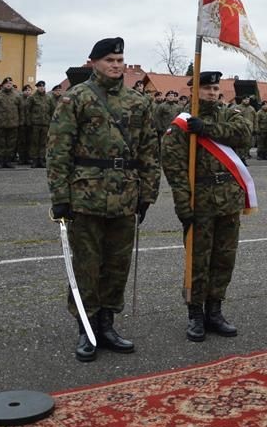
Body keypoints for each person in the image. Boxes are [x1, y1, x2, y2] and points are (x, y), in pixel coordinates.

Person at [46, 37, 161, 362]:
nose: (116, 65)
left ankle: (107, 325)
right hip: (86, 196)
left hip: (125, 195)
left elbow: (149, 150)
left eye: (120, 60)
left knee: (116, 265)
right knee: (87, 266)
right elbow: (58, 150)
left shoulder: (138, 102)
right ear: (94, 62)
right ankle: (87, 328)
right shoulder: (76, 98)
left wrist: (147, 194)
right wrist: (60, 197)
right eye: (110, 59)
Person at [161, 71, 252, 341]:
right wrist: (182, 204)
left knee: (224, 258)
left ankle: (215, 310)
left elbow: (244, 134)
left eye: (215, 88)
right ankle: (195, 314)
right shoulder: (182, 123)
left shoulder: (229, 114)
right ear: (194, 91)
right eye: (207, 89)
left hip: (228, 200)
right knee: (198, 260)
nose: (212, 93)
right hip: (199, 201)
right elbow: (174, 168)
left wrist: (207, 129)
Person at [0, 76, 21, 168]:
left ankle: (8, 161)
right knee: (0, 143)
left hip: (13, 124)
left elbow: (21, 109)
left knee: (11, 143)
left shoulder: (17, 95)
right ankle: (1, 161)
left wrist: (21, 121)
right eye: (7, 83)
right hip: (0, 123)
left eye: (10, 83)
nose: (9, 85)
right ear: (3, 85)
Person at [26, 81, 53, 168]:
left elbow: (52, 111)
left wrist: (51, 122)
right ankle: (34, 160)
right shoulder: (32, 97)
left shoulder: (48, 98)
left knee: (43, 143)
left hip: (45, 123)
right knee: (34, 142)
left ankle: (41, 159)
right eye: (40, 86)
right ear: (37, 87)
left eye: (43, 86)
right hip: (35, 124)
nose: (42, 88)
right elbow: (27, 110)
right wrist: (28, 122)